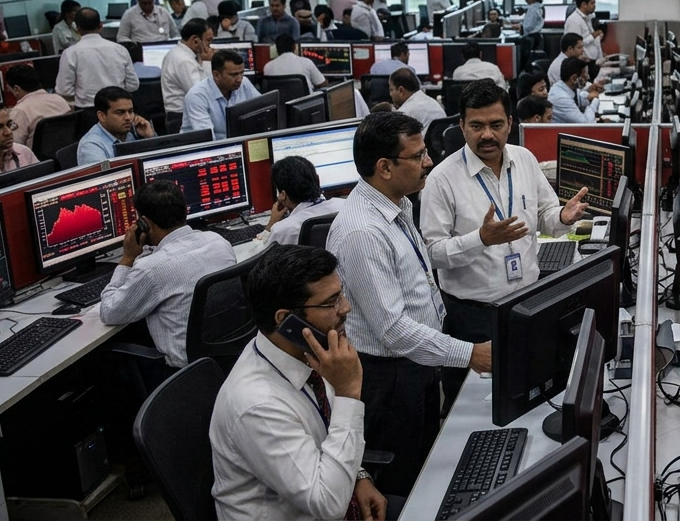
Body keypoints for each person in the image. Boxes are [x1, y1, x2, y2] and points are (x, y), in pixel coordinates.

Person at [326, 111, 494, 494]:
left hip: (417, 364)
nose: (428, 162)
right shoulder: (362, 231)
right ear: (384, 167)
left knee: (424, 468)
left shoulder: (398, 205)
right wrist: (469, 354)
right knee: (402, 484)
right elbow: (393, 330)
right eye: (418, 156)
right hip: (390, 377)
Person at [421, 80, 588, 397]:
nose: (487, 134)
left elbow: (544, 213)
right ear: (462, 125)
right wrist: (481, 239)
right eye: (477, 126)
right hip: (473, 317)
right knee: (472, 407)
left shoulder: (524, 160)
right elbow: (432, 254)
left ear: (510, 124)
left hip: (528, 304)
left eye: (496, 125)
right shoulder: (441, 180)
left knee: (527, 392)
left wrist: (561, 218)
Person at [210, 245, 387, 521]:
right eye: (331, 302)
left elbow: (328, 434)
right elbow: (328, 505)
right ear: (285, 320)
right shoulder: (256, 404)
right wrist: (348, 394)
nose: (346, 308)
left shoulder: (308, 352)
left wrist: (358, 476)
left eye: (341, 294)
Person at [100, 179, 236, 368]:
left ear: (144, 223)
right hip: (228, 356)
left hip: (182, 372)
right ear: (184, 211)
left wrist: (127, 258)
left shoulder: (151, 269)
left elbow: (109, 313)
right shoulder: (218, 242)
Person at [56, 8, 139, 108]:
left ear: (78, 29)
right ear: (100, 26)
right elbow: (133, 85)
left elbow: (64, 90)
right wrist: (116, 93)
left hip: (88, 110)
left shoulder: (70, 53)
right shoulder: (120, 50)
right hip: (118, 109)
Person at [262, 157, 347, 247]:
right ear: (318, 180)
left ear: (283, 195)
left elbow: (261, 254)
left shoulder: (282, 229)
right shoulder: (345, 205)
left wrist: (269, 227)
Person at [181, 50, 262, 140]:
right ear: (216, 75)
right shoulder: (197, 96)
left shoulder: (244, 83)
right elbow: (208, 140)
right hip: (204, 147)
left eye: (241, 73)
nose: (239, 79)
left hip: (236, 142)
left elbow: (262, 110)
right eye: (234, 75)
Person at [77, 86, 155, 165]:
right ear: (102, 116)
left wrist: (149, 137)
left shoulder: (130, 134)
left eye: (130, 111)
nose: (128, 117)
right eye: (120, 113)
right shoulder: (91, 146)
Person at [6, 64, 70, 148]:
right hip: (64, 153)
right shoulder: (60, 100)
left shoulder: (20, 111)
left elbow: (15, 146)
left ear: (16, 89)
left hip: (35, 156)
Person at [158, 18, 212, 115]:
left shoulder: (177, 52)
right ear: (195, 41)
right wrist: (208, 61)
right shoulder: (184, 60)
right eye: (208, 40)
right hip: (181, 116)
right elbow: (201, 94)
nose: (210, 45)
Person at [549, 57, 599, 123]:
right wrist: (594, 101)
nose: (588, 77)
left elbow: (579, 97)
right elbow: (585, 123)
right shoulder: (561, 98)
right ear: (574, 78)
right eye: (585, 74)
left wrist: (588, 98)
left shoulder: (568, 88)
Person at [563, 0, 603, 69]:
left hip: (592, 62)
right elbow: (574, 45)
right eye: (592, 3)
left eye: (594, 3)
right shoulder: (574, 20)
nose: (594, 6)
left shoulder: (588, 17)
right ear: (584, 4)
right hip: (582, 63)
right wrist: (592, 36)